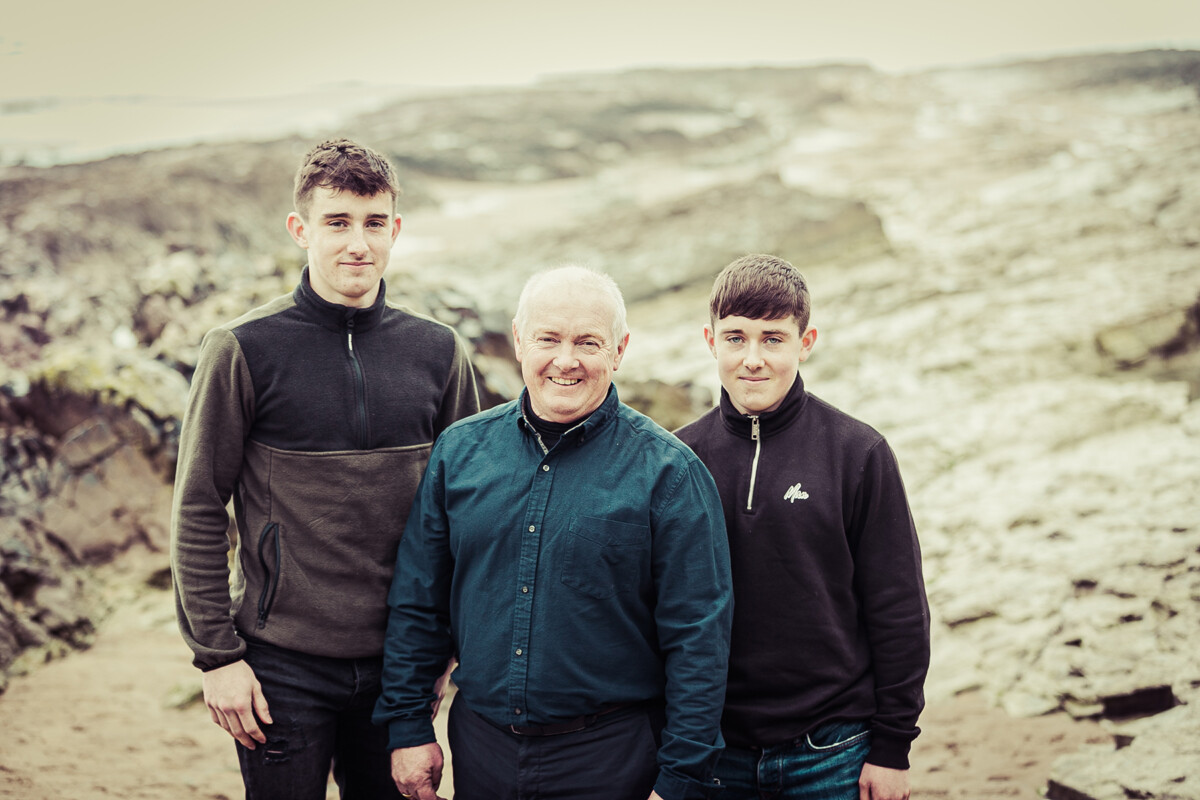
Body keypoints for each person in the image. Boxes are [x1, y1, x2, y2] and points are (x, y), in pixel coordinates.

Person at [170, 138, 480, 800]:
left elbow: (467, 512)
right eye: (337, 222)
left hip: (401, 669)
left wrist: (444, 651)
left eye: (373, 224)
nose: (356, 244)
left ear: (395, 229)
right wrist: (218, 658)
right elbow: (198, 506)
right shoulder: (241, 349)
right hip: (281, 668)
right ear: (300, 229)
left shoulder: (438, 351)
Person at [374, 265, 733, 800]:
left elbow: (699, 637)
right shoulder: (459, 452)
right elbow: (418, 601)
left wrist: (680, 778)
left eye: (588, 342)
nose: (566, 361)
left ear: (619, 349)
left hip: (613, 759)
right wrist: (407, 727)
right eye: (548, 338)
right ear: (519, 340)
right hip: (481, 750)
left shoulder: (669, 473)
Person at [674, 254, 930, 800]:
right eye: (735, 338)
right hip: (714, 754)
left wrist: (892, 748)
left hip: (833, 752)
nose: (752, 360)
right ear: (710, 340)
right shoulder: (678, 459)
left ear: (805, 340)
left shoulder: (858, 452)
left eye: (773, 339)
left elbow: (899, 606)